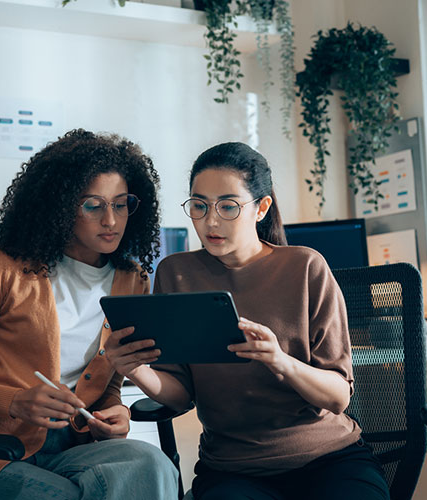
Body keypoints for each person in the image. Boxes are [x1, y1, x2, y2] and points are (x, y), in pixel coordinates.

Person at [104, 142, 391, 500]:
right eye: (199, 206)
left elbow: (337, 398)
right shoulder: (177, 274)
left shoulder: (305, 267)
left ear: (261, 208)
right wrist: (136, 370)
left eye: (227, 206)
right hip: (233, 470)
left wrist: (280, 361)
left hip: (330, 459)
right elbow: (180, 396)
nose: (210, 221)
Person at [0, 129, 179, 500]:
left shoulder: (132, 279)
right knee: (62, 496)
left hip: (67, 450)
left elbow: (107, 382)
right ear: (60, 208)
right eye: (94, 205)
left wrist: (114, 413)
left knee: (151, 464)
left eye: (121, 204)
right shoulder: (3, 269)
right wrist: (15, 401)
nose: (111, 220)